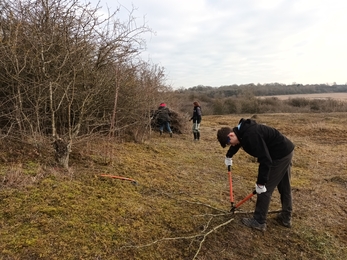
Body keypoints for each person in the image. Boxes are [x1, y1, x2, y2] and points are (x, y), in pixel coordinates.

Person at [217, 118, 294, 231]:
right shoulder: (241, 130)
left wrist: (261, 183)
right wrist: (229, 155)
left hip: (279, 156)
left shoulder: (251, 135)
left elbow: (265, 160)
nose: (231, 145)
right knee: (284, 187)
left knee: (265, 190)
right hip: (285, 150)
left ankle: (259, 221)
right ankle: (286, 217)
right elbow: (238, 142)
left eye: (229, 143)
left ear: (231, 135)